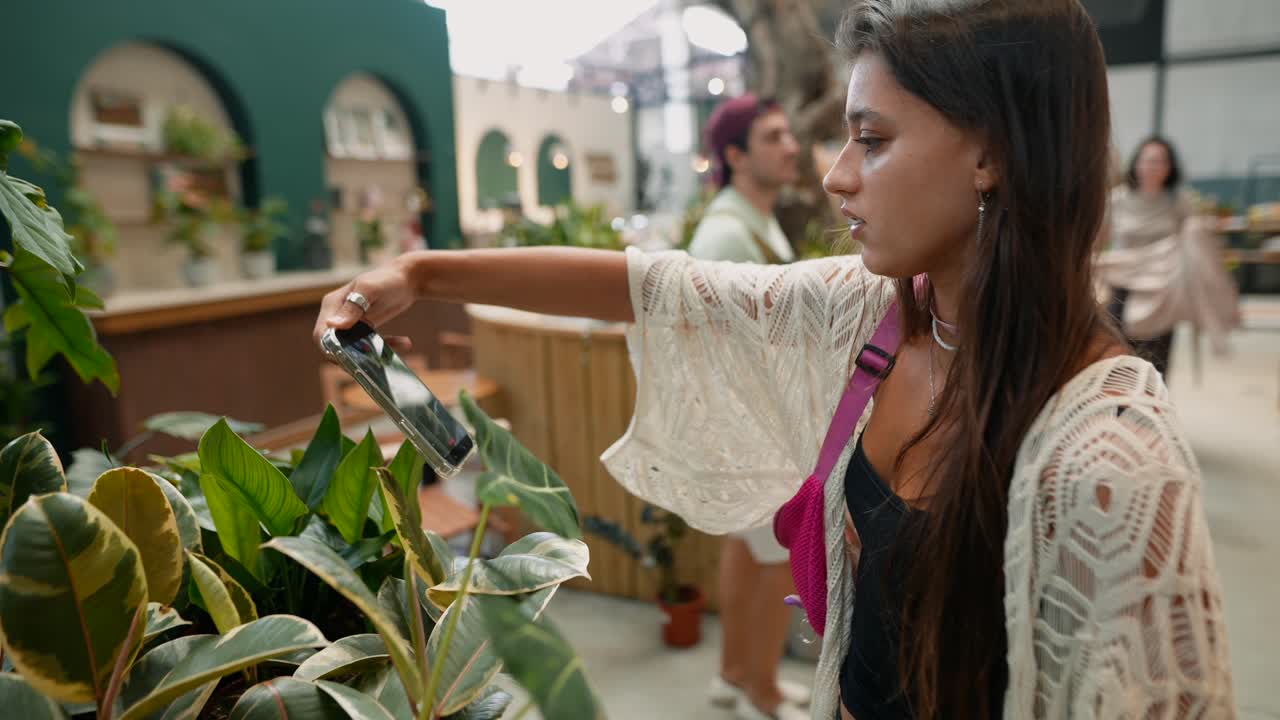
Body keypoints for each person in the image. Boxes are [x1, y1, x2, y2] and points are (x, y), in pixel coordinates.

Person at [315, 1, 1235, 717]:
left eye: (871, 140)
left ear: (992, 153)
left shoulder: (1112, 463)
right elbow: (652, 285)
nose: (836, 174)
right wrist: (421, 273)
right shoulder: (875, 316)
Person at [689, 93, 811, 720]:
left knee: (750, 550)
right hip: (753, 425)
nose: (791, 146)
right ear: (735, 155)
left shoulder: (751, 220)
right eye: (773, 137)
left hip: (754, 420)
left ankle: (735, 674)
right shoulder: (727, 231)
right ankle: (761, 690)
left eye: (788, 134)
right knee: (775, 557)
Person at [1097, 137, 1239, 376]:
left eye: (1160, 161)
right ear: (1137, 164)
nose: (1153, 167)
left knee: (1156, 357)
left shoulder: (1179, 201)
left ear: (1169, 167)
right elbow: (1099, 240)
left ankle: (1154, 405)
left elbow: (1198, 244)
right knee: (1117, 351)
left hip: (1163, 290)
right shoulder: (1118, 199)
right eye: (1148, 160)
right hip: (1123, 283)